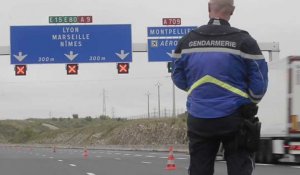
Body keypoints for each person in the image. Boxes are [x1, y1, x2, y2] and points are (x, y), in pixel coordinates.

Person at [171, 0, 268, 175]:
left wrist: (198, 92)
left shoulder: (186, 41)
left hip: (199, 118)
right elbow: (259, 83)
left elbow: (177, 76)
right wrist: (250, 100)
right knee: (240, 168)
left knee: (199, 169)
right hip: (235, 118)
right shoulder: (244, 41)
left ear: (209, 8)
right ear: (232, 11)